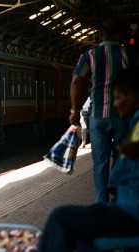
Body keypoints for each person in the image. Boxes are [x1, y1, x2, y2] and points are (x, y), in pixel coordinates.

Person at [39, 67, 139, 252]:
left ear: (131, 96)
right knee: (82, 245)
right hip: (124, 206)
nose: (114, 104)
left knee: (59, 217)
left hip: (130, 213)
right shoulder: (133, 123)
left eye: (117, 97)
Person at [69, 16, 136, 203]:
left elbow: (76, 81)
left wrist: (74, 110)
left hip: (98, 116)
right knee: (122, 157)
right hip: (124, 117)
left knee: (100, 163)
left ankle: (101, 204)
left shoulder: (89, 56)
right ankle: (118, 198)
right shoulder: (129, 56)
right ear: (121, 34)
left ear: (101, 33)